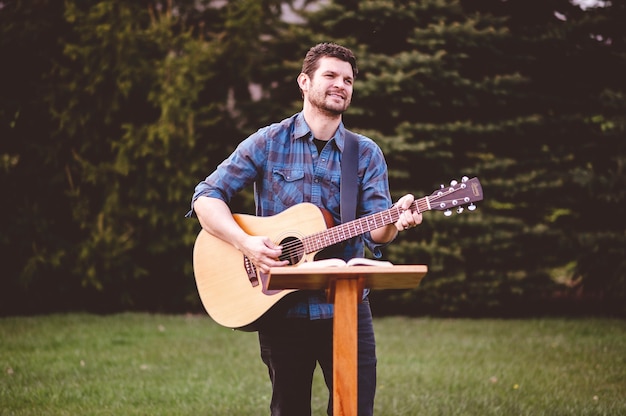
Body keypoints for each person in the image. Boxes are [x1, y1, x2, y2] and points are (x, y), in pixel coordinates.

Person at [189, 42, 422, 416]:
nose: (341, 84)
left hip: (345, 308)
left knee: (355, 410)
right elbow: (206, 196)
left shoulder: (364, 154)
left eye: (347, 79)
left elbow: (377, 232)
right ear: (304, 81)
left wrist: (395, 220)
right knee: (289, 409)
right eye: (330, 75)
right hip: (281, 308)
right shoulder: (268, 142)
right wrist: (245, 242)